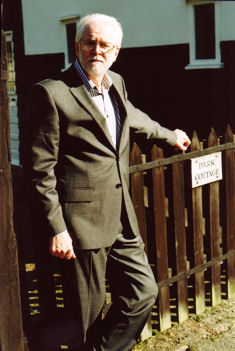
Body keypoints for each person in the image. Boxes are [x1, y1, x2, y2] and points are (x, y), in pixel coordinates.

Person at [26, 13, 190, 351]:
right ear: (77, 45)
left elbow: (132, 116)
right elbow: (40, 172)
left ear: (116, 51)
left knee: (144, 292)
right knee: (86, 313)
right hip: (80, 225)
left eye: (105, 45)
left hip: (121, 218)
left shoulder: (116, 81)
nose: (97, 50)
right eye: (90, 42)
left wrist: (169, 135)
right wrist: (57, 228)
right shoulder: (52, 93)